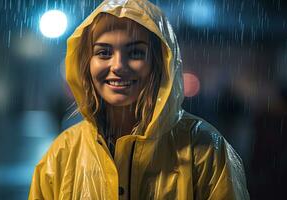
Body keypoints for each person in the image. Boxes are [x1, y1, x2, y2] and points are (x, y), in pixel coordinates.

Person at [29, 0, 250, 199]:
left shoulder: (205, 150)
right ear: (86, 63)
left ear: (159, 63)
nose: (117, 66)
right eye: (104, 53)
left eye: (135, 53)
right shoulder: (62, 154)